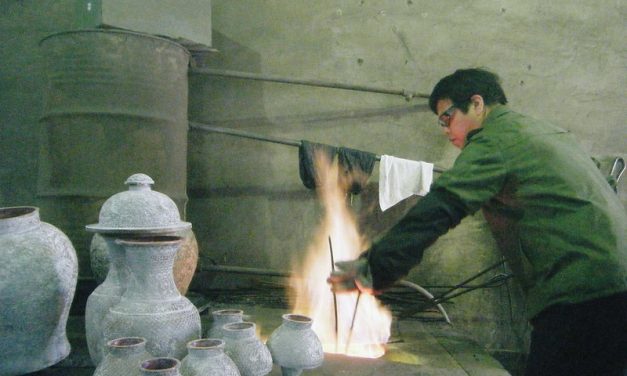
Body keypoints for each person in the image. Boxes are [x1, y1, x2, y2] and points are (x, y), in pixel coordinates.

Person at [327, 68, 627, 376]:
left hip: (584, 294)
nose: (445, 130)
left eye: (447, 118)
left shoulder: (494, 142)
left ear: (477, 103)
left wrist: (375, 268)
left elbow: (442, 205)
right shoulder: (545, 133)